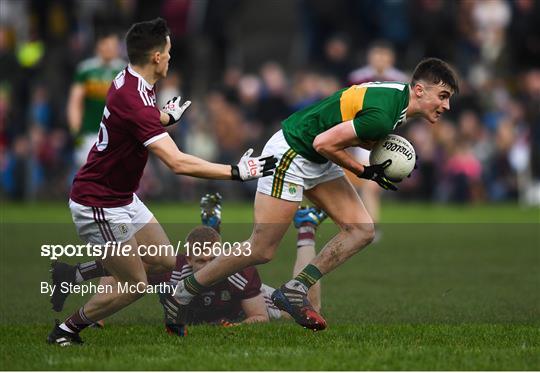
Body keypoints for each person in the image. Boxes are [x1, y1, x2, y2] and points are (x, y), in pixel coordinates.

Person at [171, 57, 459, 331]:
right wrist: (363, 171)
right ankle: (183, 292)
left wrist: (387, 154)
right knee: (261, 249)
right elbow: (324, 142)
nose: (446, 105)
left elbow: (343, 131)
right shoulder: (387, 115)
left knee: (362, 229)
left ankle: (295, 289)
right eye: (443, 96)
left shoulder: (397, 100)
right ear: (419, 90)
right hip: (293, 153)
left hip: (318, 158)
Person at [47, 18, 276, 346]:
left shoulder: (131, 80)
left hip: (122, 197)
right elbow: (177, 162)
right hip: (99, 202)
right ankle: (67, 330)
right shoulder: (136, 97)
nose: (171, 56)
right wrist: (237, 171)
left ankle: (78, 275)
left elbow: (137, 119)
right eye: (168, 51)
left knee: (166, 261)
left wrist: (166, 118)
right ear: (156, 56)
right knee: (135, 285)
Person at [50, 194, 327, 336]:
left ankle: (305, 228)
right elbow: (122, 270)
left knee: (308, 309)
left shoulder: (240, 271)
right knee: (137, 269)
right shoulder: (174, 268)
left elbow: (258, 317)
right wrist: (98, 314)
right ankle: (211, 227)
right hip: (204, 279)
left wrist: (234, 328)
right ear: (188, 258)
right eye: (199, 261)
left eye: (210, 260)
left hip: (238, 300)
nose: (205, 265)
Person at [346, 41, 409, 240]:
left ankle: (366, 226)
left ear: (391, 58)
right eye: (376, 54)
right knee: (370, 185)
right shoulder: (357, 78)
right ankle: (371, 227)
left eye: (383, 55)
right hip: (364, 136)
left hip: (389, 137)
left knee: (370, 186)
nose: (380, 59)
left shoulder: (401, 80)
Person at [67, 28, 126, 168]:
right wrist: (75, 130)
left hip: (115, 136)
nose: (110, 48)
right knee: (86, 172)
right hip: (88, 133)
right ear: (99, 46)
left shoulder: (123, 71)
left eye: (113, 45)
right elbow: (75, 101)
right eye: (107, 45)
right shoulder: (86, 70)